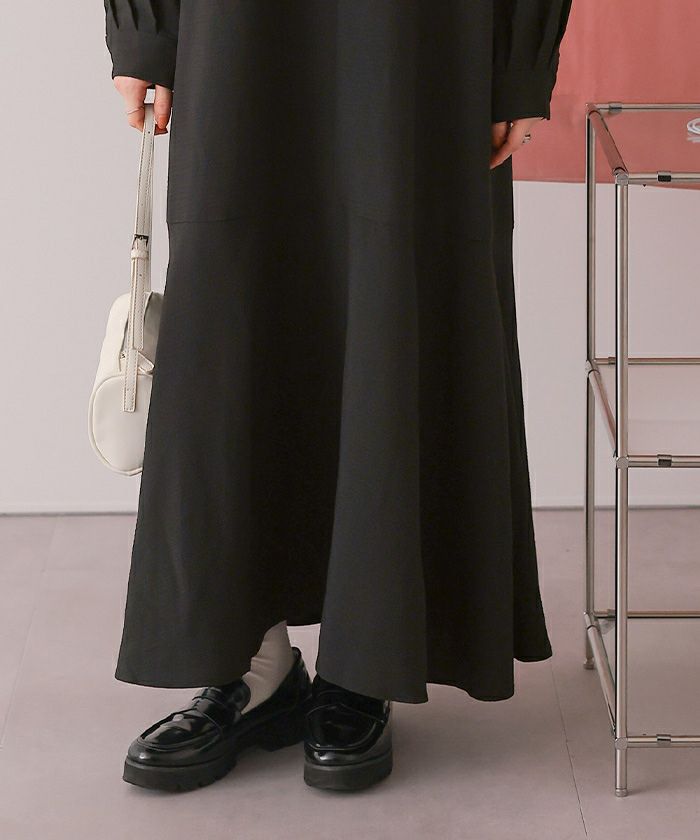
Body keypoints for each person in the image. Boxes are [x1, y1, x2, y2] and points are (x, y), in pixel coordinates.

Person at [103, 0, 573, 793]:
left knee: (394, 297)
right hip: (237, 29)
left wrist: (518, 59)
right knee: (233, 310)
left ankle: (364, 661)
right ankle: (252, 665)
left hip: (422, 36)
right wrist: (144, 29)